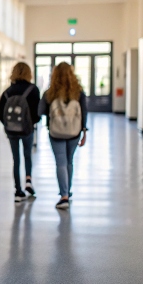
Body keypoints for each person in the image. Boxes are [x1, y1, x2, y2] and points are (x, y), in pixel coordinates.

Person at [38, 62, 88, 210]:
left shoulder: (49, 93)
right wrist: (84, 132)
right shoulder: (79, 93)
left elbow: (39, 111)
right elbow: (84, 112)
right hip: (74, 132)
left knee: (60, 162)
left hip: (56, 132)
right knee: (69, 162)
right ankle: (67, 190)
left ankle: (64, 196)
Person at [0, 62, 41, 202]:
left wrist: (8, 125)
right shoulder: (33, 90)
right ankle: (28, 180)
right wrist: (31, 123)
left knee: (16, 159)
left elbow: (0, 111)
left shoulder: (7, 92)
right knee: (27, 155)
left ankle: (18, 191)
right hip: (27, 129)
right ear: (29, 73)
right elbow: (37, 111)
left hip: (12, 130)